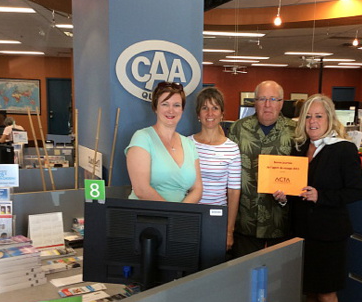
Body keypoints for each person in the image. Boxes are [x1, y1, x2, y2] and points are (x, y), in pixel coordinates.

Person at [274, 94, 362, 302]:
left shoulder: (344, 149)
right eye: (308, 117)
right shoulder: (300, 148)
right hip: (302, 231)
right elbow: (295, 190)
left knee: (326, 293)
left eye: (318, 116)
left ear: (329, 119)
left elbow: (356, 191)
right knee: (310, 291)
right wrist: (283, 196)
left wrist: (321, 196)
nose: (313, 122)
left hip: (330, 233)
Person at [228, 80, 296, 258]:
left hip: (280, 220)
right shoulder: (238, 128)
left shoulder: (295, 131)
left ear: (281, 102)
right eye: (262, 99)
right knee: (243, 275)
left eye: (273, 99)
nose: (267, 104)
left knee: (277, 276)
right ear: (254, 102)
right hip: (244, 219)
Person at [125, 81, 202, 203]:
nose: (171, 110)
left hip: (180, 219)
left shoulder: (189, 144)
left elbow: (197, 189)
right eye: (165, 104)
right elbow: (141, 190)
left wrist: (181, 215)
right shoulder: (142, 138)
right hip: (147, 216)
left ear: (182, 109)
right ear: (155, 107)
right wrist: (172, 215)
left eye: (176, 105)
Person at [189, 87, 241, 251]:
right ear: (198, 114)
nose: (210, 113)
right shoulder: (186, 144)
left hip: (216, 218)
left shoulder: (232, 149)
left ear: (222, 114)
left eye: (215, 108)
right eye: (205, 108)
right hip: (189, 215)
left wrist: (229, 231)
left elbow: (233, 191)